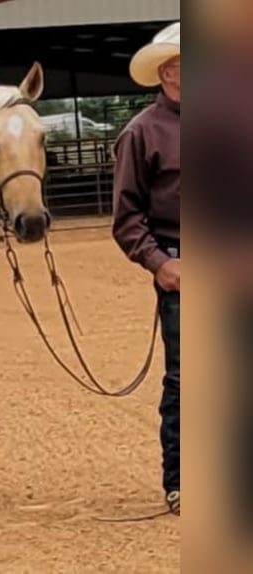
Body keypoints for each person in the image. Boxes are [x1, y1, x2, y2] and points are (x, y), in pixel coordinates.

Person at [111, 21, 180, 515]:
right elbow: (127, 217)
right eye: (173, 65)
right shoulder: (141, 132)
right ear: (160, 73)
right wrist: (160, 264)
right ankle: (182, 482)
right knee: (187, 379)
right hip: (183, 262)